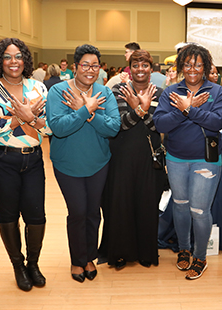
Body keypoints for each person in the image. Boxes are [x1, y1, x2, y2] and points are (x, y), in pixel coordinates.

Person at [0, 38, 51, 292]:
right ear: (0, 60)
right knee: (8, 216)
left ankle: (33, 264)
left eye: (18, 56)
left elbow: (49, 127)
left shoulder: (38, 87)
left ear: (25, 60)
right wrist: (22, 118)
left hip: (32, 158)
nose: (13, 62)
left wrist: (28, 118)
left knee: (37, 217)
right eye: (8, 57)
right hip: (0, 160)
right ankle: (18, 265)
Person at [153, 43, 222, 280]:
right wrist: (185, 109)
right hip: (175, 159)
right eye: (188, 64)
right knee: (181, 204)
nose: (193, 69)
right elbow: (161, 124)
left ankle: (200, 257)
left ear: (205, 67)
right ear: (181, 67)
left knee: (199, 210)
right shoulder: (171, 92)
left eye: (198, 64)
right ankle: (183, 249)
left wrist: (191, 110)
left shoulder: (216, 92)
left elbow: (216, 123)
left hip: (205, 161)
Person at [46, 44, 120, 283]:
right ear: (75, 67)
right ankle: (77, 260)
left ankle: (90, 256)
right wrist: (84, 110)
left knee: (92, 212)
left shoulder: (104, 93)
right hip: (67, 163)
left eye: (95, 65)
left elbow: (112, 128)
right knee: (77, 212)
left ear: (100, 68)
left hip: (98, 162)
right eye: (85, 65)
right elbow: (58, 127)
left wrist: (87, 113)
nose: (90, 70)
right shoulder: (58, 92)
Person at [99, 50, 167, 270]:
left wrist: (142, 111)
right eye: (136, 65)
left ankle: (146, 252)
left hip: (150, 156)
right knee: (120, 204)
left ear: (151, 67)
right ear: (129, 67)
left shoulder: (160, 93)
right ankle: (119, 252)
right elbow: (119, 125)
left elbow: (161, 126)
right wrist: (141, 111)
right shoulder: (118, 90)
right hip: (122, 155)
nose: (140, 69)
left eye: (145, 65)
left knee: (147, 204)